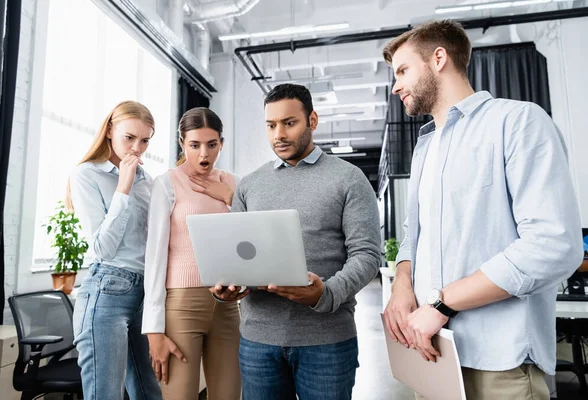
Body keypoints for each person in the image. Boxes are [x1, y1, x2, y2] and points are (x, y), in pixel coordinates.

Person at [382, 20, 583, 399]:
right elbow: (414, 235)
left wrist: (442, 303)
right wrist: (402, 283)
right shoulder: (425, 148)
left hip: (499, 363)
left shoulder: (518, 122)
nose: (395, 85)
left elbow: (554, 245)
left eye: (403, 70)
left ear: (439, 58)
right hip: (433, 354)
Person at [211, 83, 381, 400]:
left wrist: (326, 293)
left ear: (312, 120)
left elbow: (367, 255)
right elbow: (241, 257)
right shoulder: (250, 185)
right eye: (271, 125)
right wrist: (232, 286)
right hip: (258, 341)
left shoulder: (349, 178)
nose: (279, 134)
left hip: (327, 341)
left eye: (289, 123)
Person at [142, 107, 243, 400]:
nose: (204, 154)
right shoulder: (167, 183)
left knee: (228, 396)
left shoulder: (234, 183)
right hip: (182, 307)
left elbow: (251, 241)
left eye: (212, 145)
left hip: (228, 306)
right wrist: (153, 331)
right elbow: (155, 257)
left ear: (221, 143)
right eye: (194, 145)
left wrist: (228, 197)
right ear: (181, 143)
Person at [68, 101, 162, 400]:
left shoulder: (148, 181)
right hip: (107, 290)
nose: (137, 148)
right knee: (105, 394)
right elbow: (102, 248)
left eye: (145, 140)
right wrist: (123, 185)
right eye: (129, 137)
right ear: (110, 130)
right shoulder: (86, 174)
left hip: (145, 294)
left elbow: (156, 242)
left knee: (150, 393)